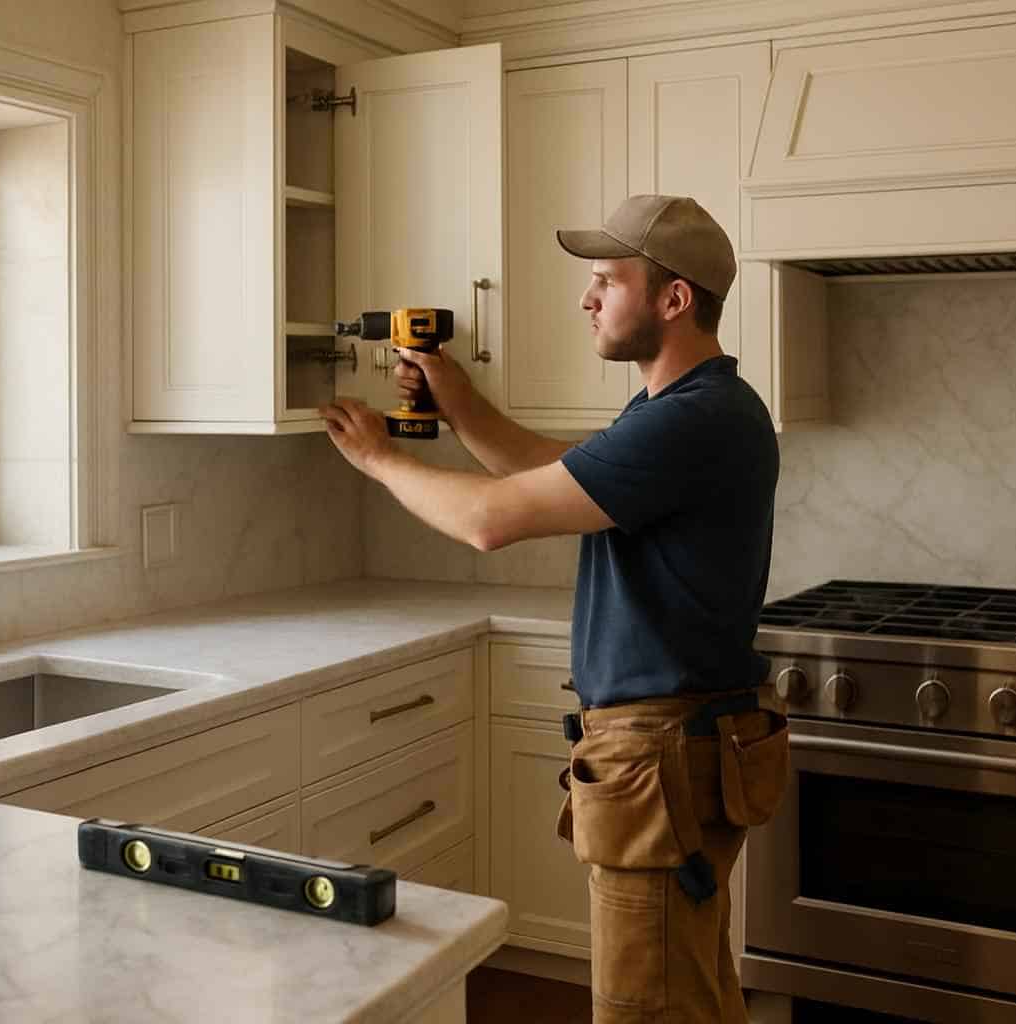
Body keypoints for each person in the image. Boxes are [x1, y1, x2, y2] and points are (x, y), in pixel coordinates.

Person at [318, 194, 788, 1023]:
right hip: (683, 750)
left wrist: (378, 460)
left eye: (608, 280)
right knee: (693, 992)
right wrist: (456, 399)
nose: (587, 298)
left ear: (674, 299)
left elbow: (488, 520)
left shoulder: (695, 419)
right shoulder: (681, 410)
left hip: (663, 758)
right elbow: (547, 469)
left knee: (648, 1007)